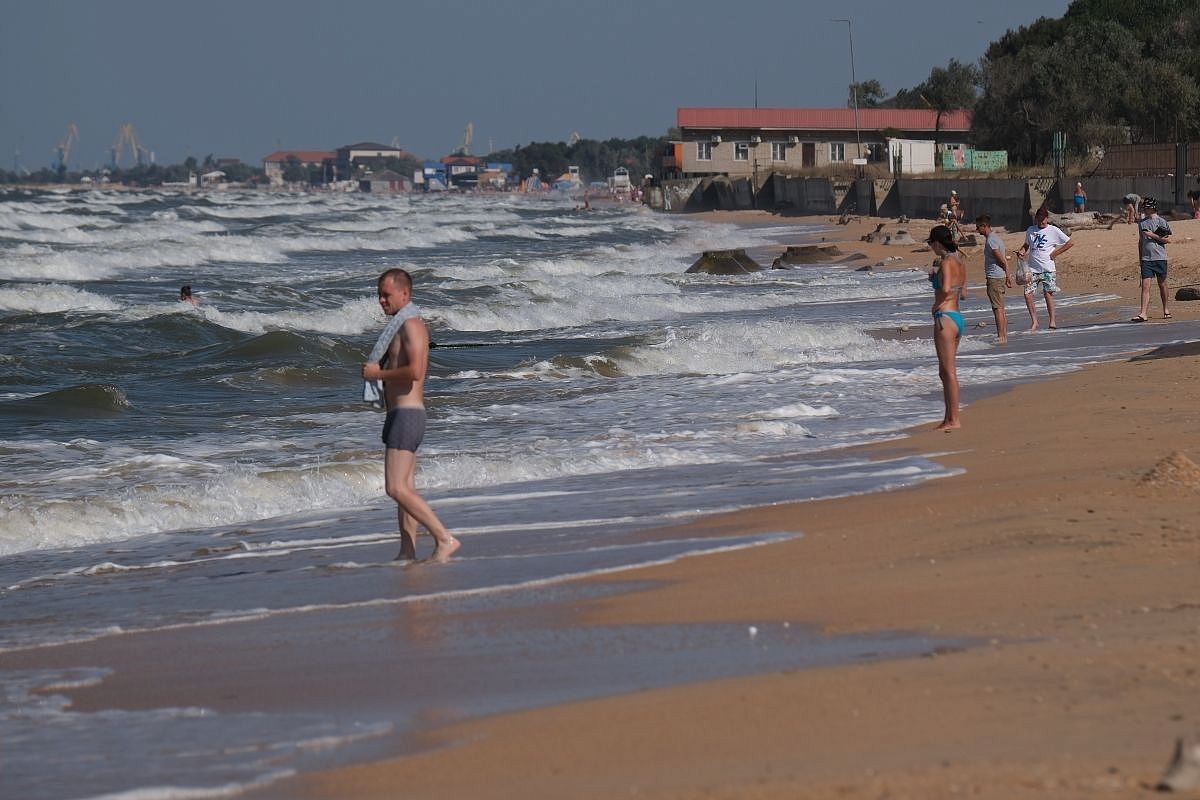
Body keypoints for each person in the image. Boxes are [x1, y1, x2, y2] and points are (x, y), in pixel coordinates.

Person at [361, 268, 460, 562]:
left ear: (405, 294)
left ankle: (445, 539)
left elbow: (415, 371)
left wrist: (378, 372)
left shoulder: (412, 326)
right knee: (407, 489)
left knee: (395, 487)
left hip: (408, 415)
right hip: (399, 415)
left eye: (386, 294)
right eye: (379, 295)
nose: (381, 300)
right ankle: (407, 550)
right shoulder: (399, 327)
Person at [927, 225, 967, 431]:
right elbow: (964, 292)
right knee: (944, 372)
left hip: (945, 318)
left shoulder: (946, 262)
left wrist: (935, 305)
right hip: (957, 317)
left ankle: (954, 420)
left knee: (949, 372)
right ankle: (948, 417)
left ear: (936, 243)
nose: (930, 247)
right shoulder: (960, 261)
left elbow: (945, 288)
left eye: (930, 243)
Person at [1017, 207, 1073, 331]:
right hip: (1032, 269)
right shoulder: (1031, 230)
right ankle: (1035, 322)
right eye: (1040, 219)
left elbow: (1069, 242)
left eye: (1044, 219)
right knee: (1028, 294)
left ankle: (1052, 321)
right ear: (1036, 218)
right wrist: (1022, 251)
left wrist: (1055, 254)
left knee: (1048, 294)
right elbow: (1027, 244)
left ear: (1047, 218)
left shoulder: (1053, 230)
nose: (1042, 222)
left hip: (1048, 268)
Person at [1132, 196, 1172, 322]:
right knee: (1145, 286)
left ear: (1153, 208)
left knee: (1162, 284)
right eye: (1145, 207)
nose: (1145, 209)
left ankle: (1166, 309)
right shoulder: (1142, 223)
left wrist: (1152, 235)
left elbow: (1166, 240)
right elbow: (1140, 242)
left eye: (1147, 207)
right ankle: (1143, 313)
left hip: (1160, 257)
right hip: (1146, 259)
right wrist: (1140, 258)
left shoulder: (1162, 222)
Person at [975, 214, 1013, 343]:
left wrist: (1008, 275)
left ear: (984, 226)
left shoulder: (991, 240)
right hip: (998, 277)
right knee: (1000, 308)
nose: (977, 230)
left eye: (978, 227)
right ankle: (1003, 336)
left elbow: (1001, 260)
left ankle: (1001, 336)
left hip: (995, 278)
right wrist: (1007, 276)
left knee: (997, 308)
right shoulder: (995, 238)